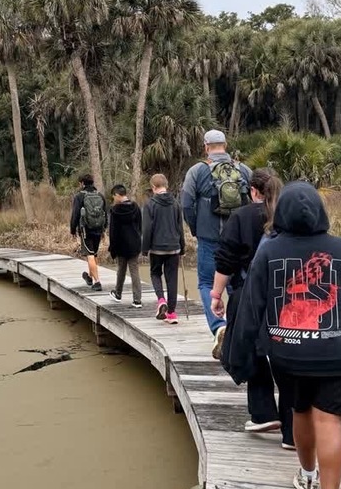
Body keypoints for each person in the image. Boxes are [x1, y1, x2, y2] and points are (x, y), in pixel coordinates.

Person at [226, 182, 341, 489]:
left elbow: (251, 307)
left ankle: (307, 478)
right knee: (330, 421)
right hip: (339, 352)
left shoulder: (270, 251)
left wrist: (240, 354)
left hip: (288, 353)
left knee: (300, 412)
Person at [209, 169, 294, 449]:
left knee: (250, 348)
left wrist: (216, 294)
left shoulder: (242, 216)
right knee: (283, 352)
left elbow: (226, 259)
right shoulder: (289, 216)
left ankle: (263, 412)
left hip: (248, 294)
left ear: (253, 191)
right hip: (287, 296)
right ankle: (292, 427)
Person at [181, 129, 251, 357]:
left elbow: (186, 203)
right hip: (239, 240)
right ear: (226, 144)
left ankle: (218, 327)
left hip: (209, 239)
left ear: (206, 147)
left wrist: (196, 228)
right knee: (235, 284)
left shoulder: (197, 171)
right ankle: (238, 330)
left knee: (206, 283)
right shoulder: (243, 170)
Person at [142, 174, 186, 324]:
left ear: (154, 187)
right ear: (166, 185)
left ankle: (161, 300)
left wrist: (144, 248)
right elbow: (180, 227)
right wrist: (183, 247)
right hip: (174, 247)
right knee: (172, 279)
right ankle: (172, 314)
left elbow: (147, 229)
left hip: (156, 248)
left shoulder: (150, 205)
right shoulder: (176, 204)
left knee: (155, 273)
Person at [107, 184, 143, 307]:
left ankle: (118, 293)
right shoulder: (135, 207)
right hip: (134, 244)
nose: (113, 199)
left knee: (121, 269)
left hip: (121, 245)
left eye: (113, 196)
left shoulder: (115, 210)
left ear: (117, 195)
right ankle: (137, 300)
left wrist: (112, 248)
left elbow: (113, 231)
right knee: (134, 271)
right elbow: (140, 225)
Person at [70, 173, 107, 292]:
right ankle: (90, 277)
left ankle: (97, 282)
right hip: (98, 229)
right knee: (94, 254)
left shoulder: (79, 196)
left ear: (82, 183)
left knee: (90, 254)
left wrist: (72, 229)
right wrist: (104, 229)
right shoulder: (100, 195)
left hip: (86, 230)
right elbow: (105, 213)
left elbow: (75, 214)